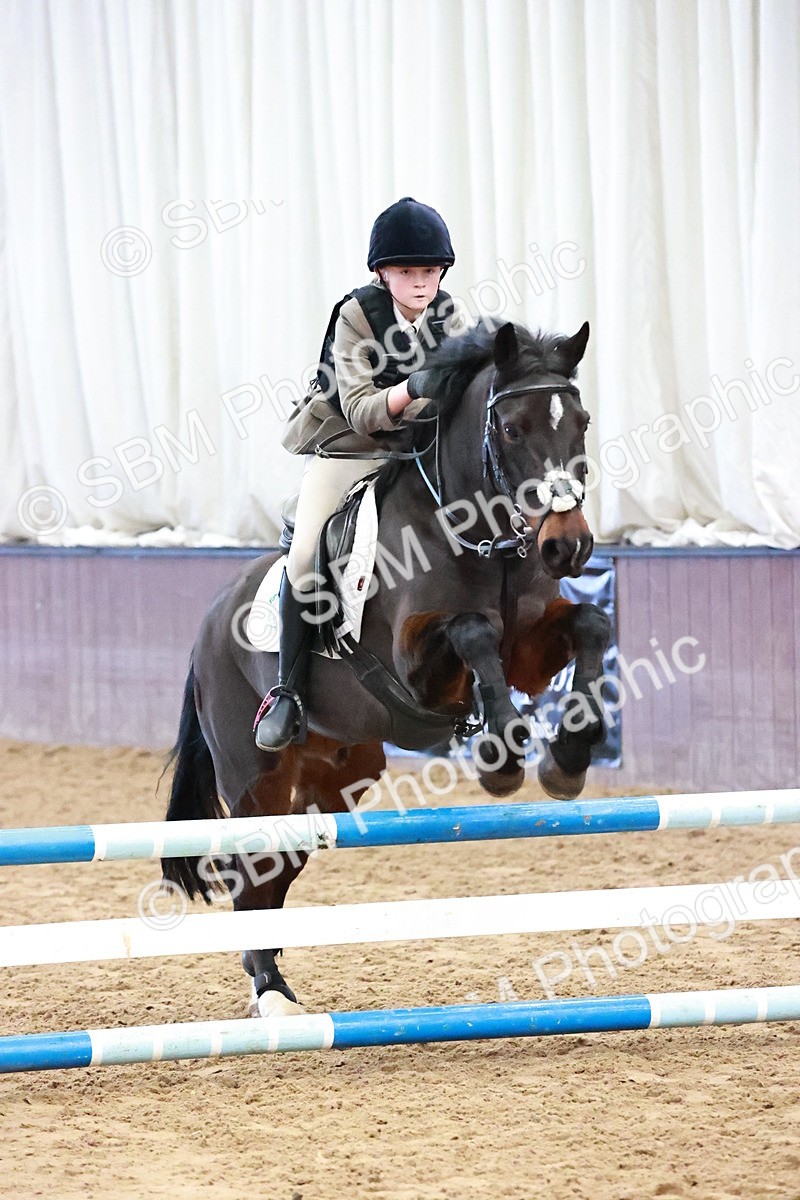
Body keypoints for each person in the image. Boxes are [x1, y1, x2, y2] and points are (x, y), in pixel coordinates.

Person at [255, 196, 471, 751]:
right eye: (407, 272)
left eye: (429, 271)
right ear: (382, 273)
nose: (421, 282)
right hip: (347, 450)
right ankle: (286, 692)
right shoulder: (355, 315)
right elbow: (362, 411)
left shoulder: (451, 317)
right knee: (306, 554)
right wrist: (417, 387)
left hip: (418, 451)